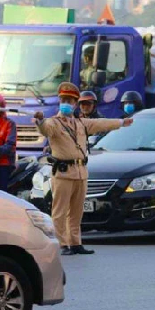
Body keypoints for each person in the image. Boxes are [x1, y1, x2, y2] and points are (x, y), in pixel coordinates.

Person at [33, 82, 133, 255]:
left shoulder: (80, 123)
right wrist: (40, 121)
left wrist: (121, 122)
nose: (66, 103)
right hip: (63, 173)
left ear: (74, 104)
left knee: (77, 212)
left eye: (70, 101)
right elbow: (45, 129)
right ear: (60, 102)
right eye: (64, 100)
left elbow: (100, 123)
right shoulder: (54, 123)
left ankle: (76, 243)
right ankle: (62, 244)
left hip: (80, 172)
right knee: (60, 211)